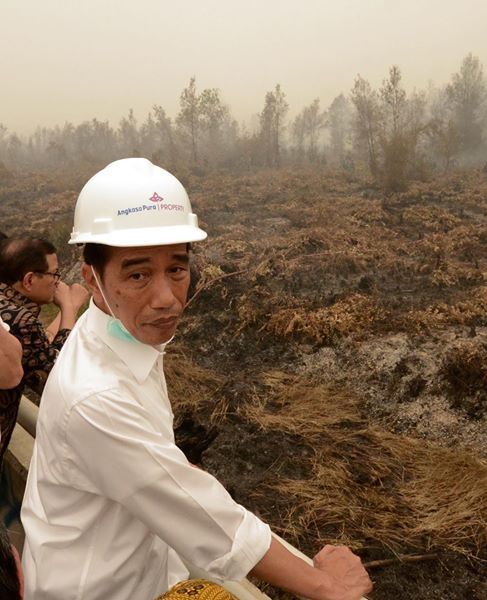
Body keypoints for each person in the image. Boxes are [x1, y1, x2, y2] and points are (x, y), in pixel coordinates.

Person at [21, 158, 372, 600]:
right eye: (138, 273)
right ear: (91, 278)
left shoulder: (111, 334)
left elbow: (157, 469)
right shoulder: (96, 395)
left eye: (177, 269)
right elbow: (213, 526)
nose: (167, 298)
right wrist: (329, 585)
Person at [0, 237, 89, 459]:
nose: (58, 282)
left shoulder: (7, 308)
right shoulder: (21, 320)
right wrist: (69, 307)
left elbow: (39, 348)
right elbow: (54, 369)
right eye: (54, 274)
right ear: (29, 280)